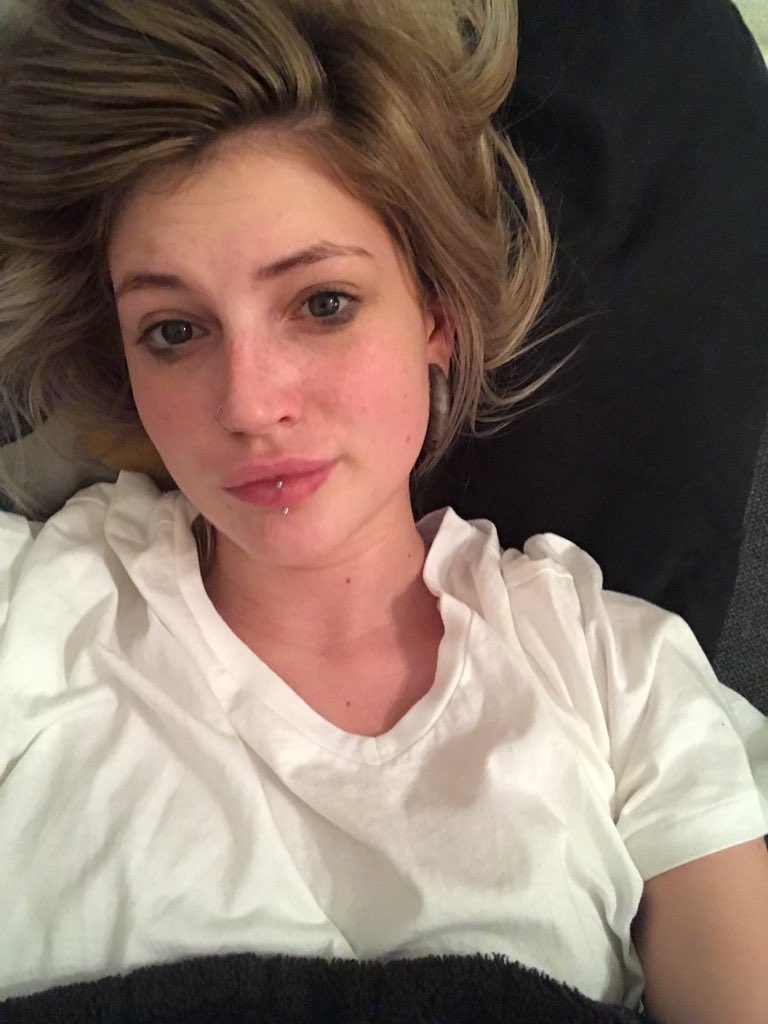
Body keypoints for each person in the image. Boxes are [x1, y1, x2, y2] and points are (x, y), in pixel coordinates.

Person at [0, 1, 766, 1020]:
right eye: (175, 330)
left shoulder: (618, 678)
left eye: (322, 303)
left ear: (436, 316)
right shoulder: (32, 611)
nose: (248, 405)